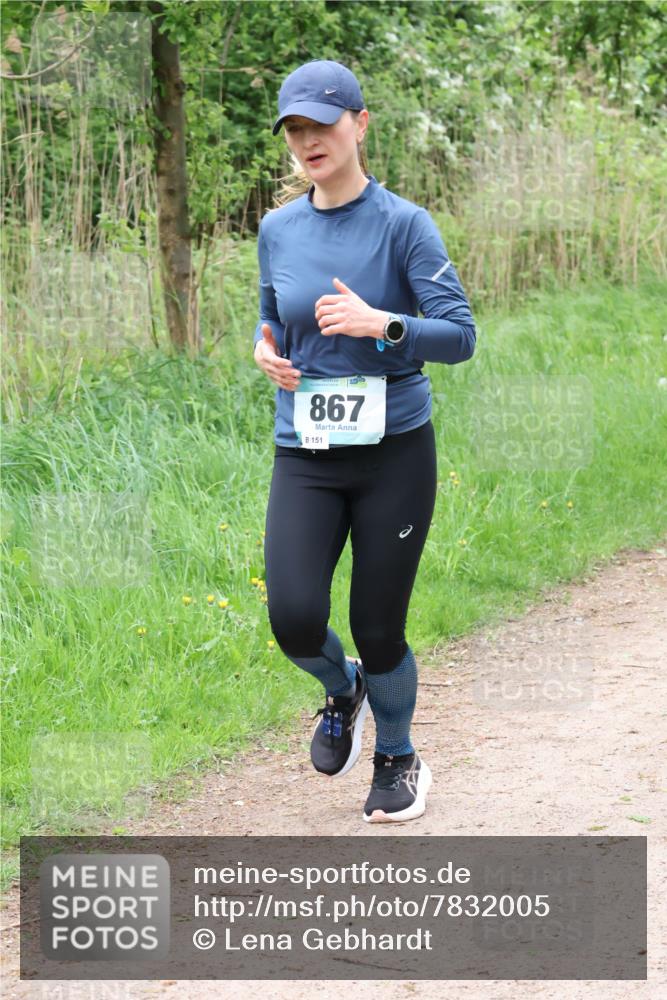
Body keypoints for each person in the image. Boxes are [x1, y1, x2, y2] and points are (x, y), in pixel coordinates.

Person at [253, 59, 476, 823]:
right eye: (294, 129)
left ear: (360, 125)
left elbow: (458, 337)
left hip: (392, 456)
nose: (308, 140)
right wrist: (263, 349)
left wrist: (383, 323)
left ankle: (397, 755)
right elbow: (270, 312)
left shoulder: (404, 225)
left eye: (322, 124)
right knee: (291, 615)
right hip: (305, 453)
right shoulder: (276, 228)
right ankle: (341, 689)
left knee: (379, 625)